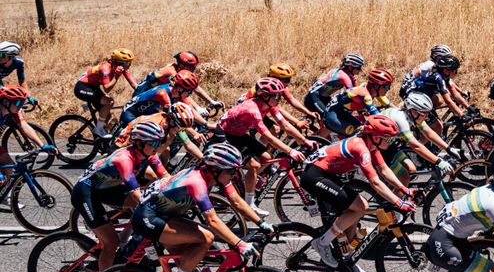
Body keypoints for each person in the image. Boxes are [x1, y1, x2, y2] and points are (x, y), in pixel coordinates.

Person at [129, 143, 269, 272]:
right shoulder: (197, 181)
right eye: (232, 171)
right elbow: (212, 220)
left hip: (165, 215)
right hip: (148, 218)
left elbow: (236, 200)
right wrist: (239, 244)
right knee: (206, 237)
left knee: (187, 261)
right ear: (215, 170)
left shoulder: (212, 175)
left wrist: (262, 223)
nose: (235, 176)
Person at [300, 114, 416, 272]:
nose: (391, 143)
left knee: (354, 213)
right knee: (360, 206)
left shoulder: (371, 144)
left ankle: (346, 260)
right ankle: (322, 243)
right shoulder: (360, 148)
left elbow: (384, 170)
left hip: (327, 174)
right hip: (315, 176)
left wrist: (403, 188)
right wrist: (398, 202)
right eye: (388, 139)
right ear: (376, 137)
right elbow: (375, 181)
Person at [72, 121, 169, 272]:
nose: (157, 147)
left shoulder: (149, 154)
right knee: (111, 243)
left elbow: (165, 179)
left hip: (107, 188)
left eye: (160, 142)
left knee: (147, 202)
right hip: (86, 192)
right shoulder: (124, 158)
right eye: (154, 143)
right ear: (139, 143)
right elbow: (135, 193)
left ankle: (125, 240)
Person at [217, 77, 308, 216]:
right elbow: (269, 138)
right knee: (254, 166)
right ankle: (249, 204)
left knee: (266, 158)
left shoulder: (269, 106)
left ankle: (246, 181)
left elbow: (285, 125)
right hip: (226, 133)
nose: (280, 99)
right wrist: (291, 151)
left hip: (239, 133)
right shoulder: (252, 110)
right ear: (265, 96)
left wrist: (304, 140)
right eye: (277, 95)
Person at [75, 49, 137, 137]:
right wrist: (116, 76)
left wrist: (145, 93)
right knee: (109, 102)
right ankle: (98, 129)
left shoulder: (122, 69)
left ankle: (102, 137)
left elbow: (133, 84)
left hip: (94, 88)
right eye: (127, 63)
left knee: (107, 116)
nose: (129, 66)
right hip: (82, 87)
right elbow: (107, 89)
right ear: (119, 63)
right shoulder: (105, 69)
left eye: (129, 63)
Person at [134, 51, 221, 112]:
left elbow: (194, 87)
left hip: (155, 94)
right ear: (182, 65)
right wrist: (197, 108)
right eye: (191, 67)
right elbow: (183, 94)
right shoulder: (171, 73)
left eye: (194, 67)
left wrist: (211, 101)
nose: (193, 69)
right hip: (143, 99)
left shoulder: (177, 70)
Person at [322, 68, 394, 137]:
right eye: (386, 87)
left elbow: (389, 105)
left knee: (363, 125)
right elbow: (376, 115)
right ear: (376, 86)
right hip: (332, 116)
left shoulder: (372, 90)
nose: (388, 89)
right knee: (361, 134)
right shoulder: (365, 94)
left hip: (340, 113)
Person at [119, 69, 202, 128]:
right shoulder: (163, 94)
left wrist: (206, 124)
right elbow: (176, 118)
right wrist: (193, 132)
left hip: (143, 115)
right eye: (189, 91)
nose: (189, 94)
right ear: (180, 89)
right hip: (131, 114)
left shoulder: (176, 94)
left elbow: (190, 110)